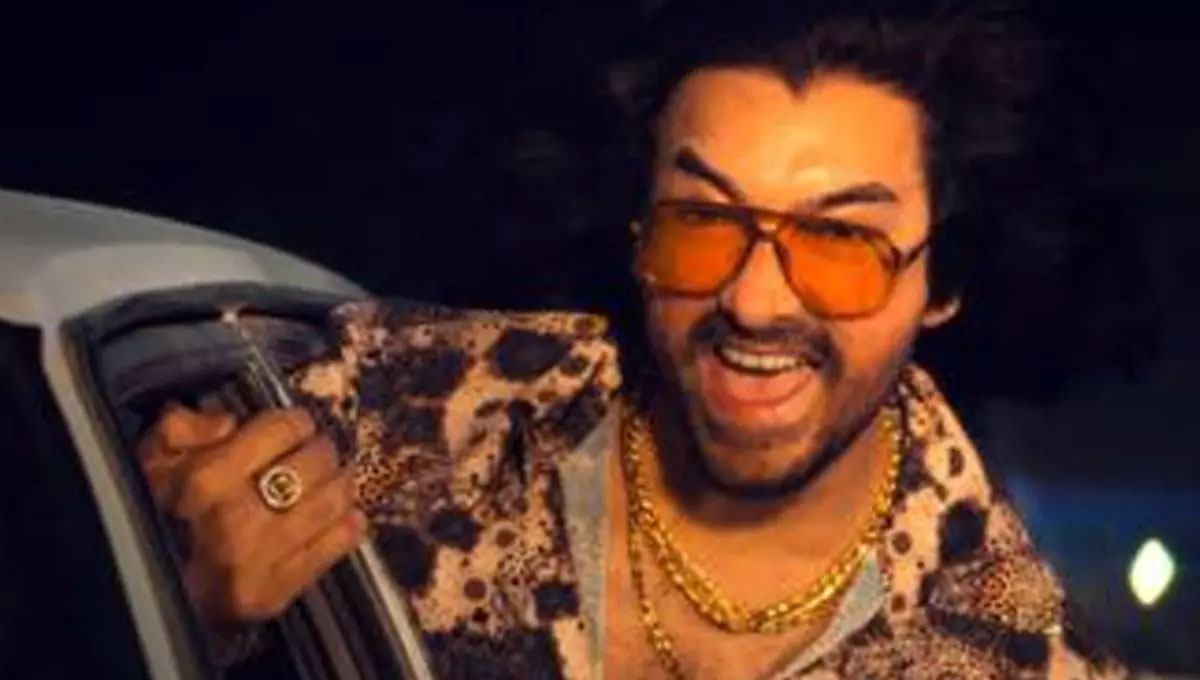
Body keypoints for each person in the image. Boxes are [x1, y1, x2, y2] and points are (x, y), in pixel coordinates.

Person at [139, 2, 1131, 678]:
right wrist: (182, 599)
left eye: (840, 243)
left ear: (942, 281)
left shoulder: (1018, 656)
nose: (753, 301)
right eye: (701, 220)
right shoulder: (392, 405)